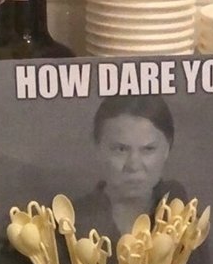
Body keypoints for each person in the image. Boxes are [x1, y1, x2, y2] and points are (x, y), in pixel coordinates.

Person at [74, 95, 187, 240]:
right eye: (121, 149)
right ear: (98, 148)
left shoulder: (184, 222)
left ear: (167, 149)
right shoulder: (67, 224)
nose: (134, 165)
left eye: (148, 149)